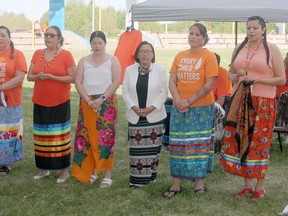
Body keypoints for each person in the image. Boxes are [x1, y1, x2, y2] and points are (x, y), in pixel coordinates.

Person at [220, 16, 285, 200]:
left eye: (255, 28)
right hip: (240, 99)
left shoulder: (271, 49)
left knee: (259, 142)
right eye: (248, 28)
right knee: (241, 139)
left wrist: (256, 80)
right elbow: (232, 71)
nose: (251, 31)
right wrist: (233, 77)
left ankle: (260, 187)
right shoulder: (240, 48)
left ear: (263, 29)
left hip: (263, 101)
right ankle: (247, 185)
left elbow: (281, 79)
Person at [164, 23, 218, 197]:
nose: (193, 37)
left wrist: (189, 101)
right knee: (178, 144)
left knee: (199, 146)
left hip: (201, 109)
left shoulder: (209, 57)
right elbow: (172, 81)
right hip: (180, 107)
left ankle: (199, 183)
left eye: (197, 34)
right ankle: (176, 184)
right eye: (191, 33)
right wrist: (179, 101)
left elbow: (209, 85)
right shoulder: (180, 56)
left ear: (204, 38)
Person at [72, 31, 121, 187]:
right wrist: (88, 99)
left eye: (100, 42)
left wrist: (102, 99)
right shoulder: (83, 61)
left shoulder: (113, 60)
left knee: (105, 139)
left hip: (106, 105)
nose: (97, 46)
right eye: (94, 43)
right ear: (90, 44)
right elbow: (78, 82)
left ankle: (107, 173)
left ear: (105, 44)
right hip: (87, 103)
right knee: (86, 138)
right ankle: (91, 171)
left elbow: (115, 83)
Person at [27, 26, 76, 183]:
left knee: (59, 137)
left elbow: (73, 78)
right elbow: (29, 77)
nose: (47, 37)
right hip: (40, 100)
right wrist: (38, 76)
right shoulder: (37, 54)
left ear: (59, 39)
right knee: (42, 137)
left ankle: (63, 171)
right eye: (46, 35)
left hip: (60, 101)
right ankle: (44, 168)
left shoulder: (66, 55)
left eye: (51, 35)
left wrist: (52, 77)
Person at [122, 41, 168, 187]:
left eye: (148, 51)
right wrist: (133, 107)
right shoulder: (129, 70)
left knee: (152, 150)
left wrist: (151, 108)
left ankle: (151, 178)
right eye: (142, 51)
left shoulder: (160, 70)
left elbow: (164, 92)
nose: (145, 54)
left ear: (153, 54)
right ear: (137, 55)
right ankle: (136, 180)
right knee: (136, 150)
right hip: (135, 116)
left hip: (154, 116)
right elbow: (125, 91)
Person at [0, 26, 27, 175]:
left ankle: (6, 163)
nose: (0, 38)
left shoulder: (17, 55)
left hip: (11, 101)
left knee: (8, 132)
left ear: (9, 37)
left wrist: (1, 87)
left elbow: (19, 77)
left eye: (3, 35)